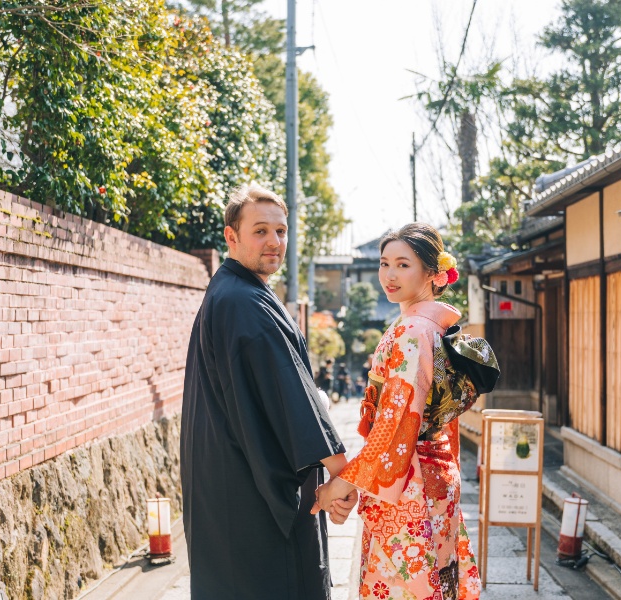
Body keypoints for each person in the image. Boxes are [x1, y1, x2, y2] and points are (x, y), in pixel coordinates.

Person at [181, 184, 358, 600]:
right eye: (260, 230)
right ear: (231, 236)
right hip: (254, 504)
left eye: (281, 231)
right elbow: (291, 398)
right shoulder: (244, 303)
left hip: (226, 494)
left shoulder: (229, 292)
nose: (274, 242)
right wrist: (341, 473)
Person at [312, 223, 482, 600]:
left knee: (404, 587)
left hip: (410, 484)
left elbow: (396, 424)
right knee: (432, 583)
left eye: (403, 265)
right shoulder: (430, 326)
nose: (389, 274)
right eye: (385, 263)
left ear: (429, 272)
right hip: (435, 473)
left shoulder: (412, 330)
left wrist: (341, 484)